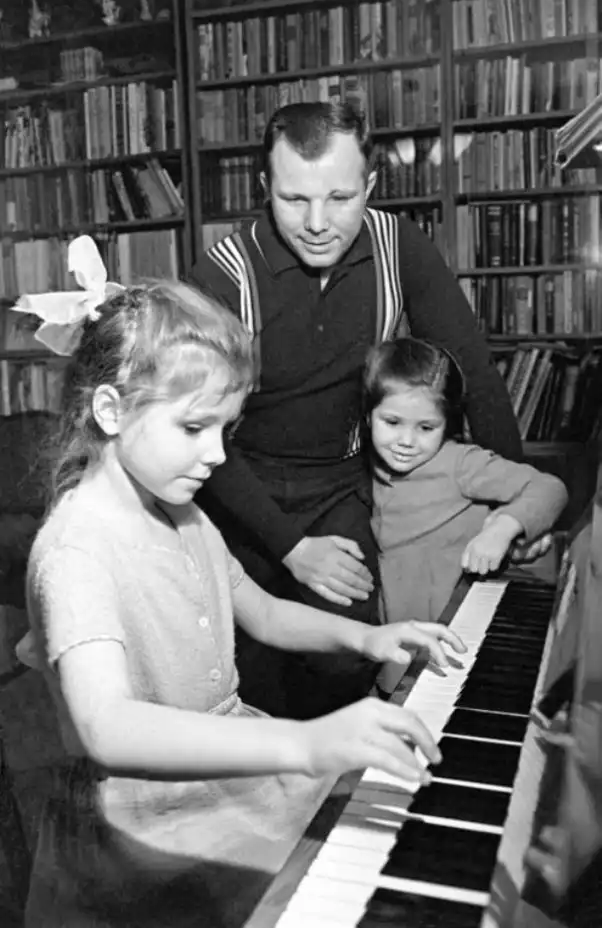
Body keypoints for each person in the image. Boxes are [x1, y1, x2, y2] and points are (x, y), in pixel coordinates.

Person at [18, 241, 465, 928]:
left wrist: (369, 637)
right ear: (110, 411)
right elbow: (107, 727)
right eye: (194, 427)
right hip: (142, 822)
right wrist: (307, 743)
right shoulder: (77, 548)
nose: (217, 454)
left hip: (224, 769)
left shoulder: (185, 513)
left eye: (226, 429)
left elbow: (265, 614)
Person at [191, 99, 531, 719]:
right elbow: (199, 439)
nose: (317, 222)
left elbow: (474, 375)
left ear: (370, 186)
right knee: (244, 679)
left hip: (343, 484)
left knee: (347, 664)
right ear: (264, 187)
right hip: (237, 487)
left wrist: (515, 506)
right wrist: (291, 546)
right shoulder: (222, 275)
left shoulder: (400, 246)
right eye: (294, 199)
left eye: (341, 198)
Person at [364, 337, 568, 694]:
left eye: (426, 427)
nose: (407, 440)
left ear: (447, 424)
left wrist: (503, 527)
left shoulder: (460, 463)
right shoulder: (364, 467)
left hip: (462, 649)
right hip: (396, 657)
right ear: (368, 417)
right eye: (392, 422)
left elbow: (550, 488)